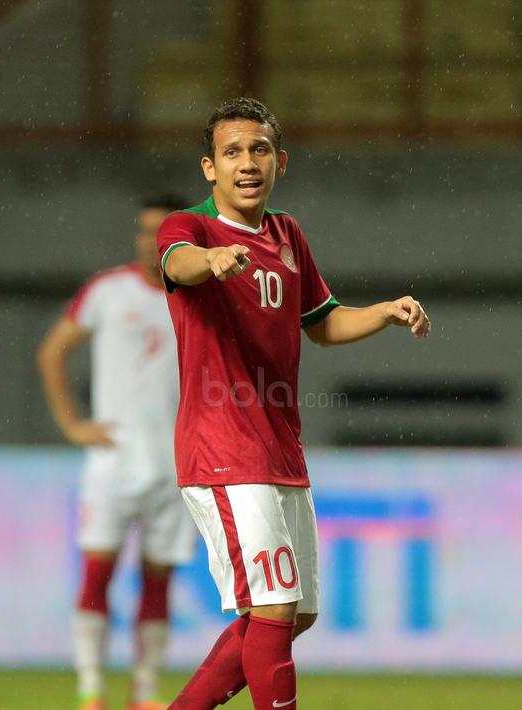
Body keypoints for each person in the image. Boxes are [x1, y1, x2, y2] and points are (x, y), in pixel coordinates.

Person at [157, 97, 431, 710]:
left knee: (296, 612)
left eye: (259, 150)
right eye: (232, 152)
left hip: (279, 444)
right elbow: (178, 263)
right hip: (223, 444)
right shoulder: (190, 227)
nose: (246, 163)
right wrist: (211, 259)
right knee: (275, 605)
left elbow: (322, 323)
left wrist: (383, 312)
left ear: (280, 161)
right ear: (209, 168)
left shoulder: (286, 233)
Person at [37, 194, 195, 710]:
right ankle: (90, 689)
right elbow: (53, 350)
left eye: (162, 233)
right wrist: (71, 424)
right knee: (98, 571)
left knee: (159, 580)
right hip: (113, 463)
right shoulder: (108, 291)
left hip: (175, 465)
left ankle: (144, 693)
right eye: (144, 231)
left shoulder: (199, 297)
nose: (151, 242)